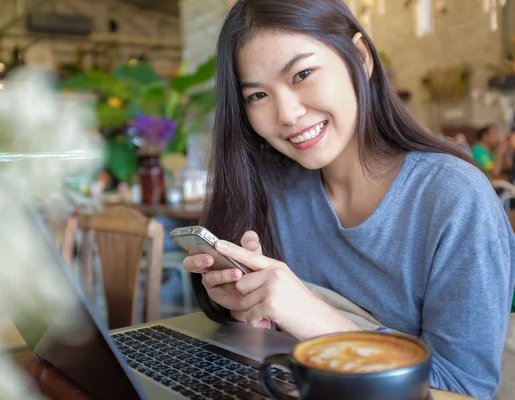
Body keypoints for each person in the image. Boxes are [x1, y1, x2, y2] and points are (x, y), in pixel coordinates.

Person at [181, 1, 515, 399]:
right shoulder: (271, 188)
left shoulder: (454, 199)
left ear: (360, 56)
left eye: (302, 74)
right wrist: (246, 304)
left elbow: (465, 393)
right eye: (257, 96)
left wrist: (314, 318)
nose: (286, 113)